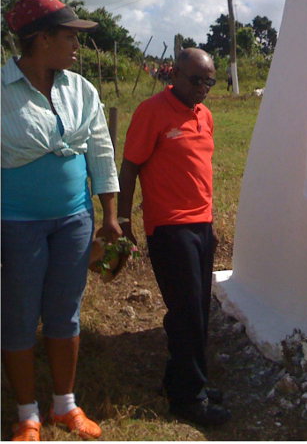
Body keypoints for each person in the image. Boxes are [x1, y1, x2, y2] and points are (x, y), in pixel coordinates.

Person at [2, 0, 120, 442]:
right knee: (18, 314)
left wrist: (109, 214)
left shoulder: (80, 89)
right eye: (69, 38)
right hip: (16, 223)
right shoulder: (1, 90)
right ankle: (27, 412)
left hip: (73, 219)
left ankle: (64, 405)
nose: (77, 47)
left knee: (64, 312)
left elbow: (101, 150)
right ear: (40, 39)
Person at [117, 48, 230, 428]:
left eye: (209, 82)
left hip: (202, 224)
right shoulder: (151, 112)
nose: (202, 88)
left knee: (197, 310)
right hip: (169, 227)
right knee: (185, 314)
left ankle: (181, 379)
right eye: (194, 79)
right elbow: (130, 166)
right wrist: (123, 219)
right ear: (175, 74)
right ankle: (189, 398)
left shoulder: (205, 115)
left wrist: (209, 224)